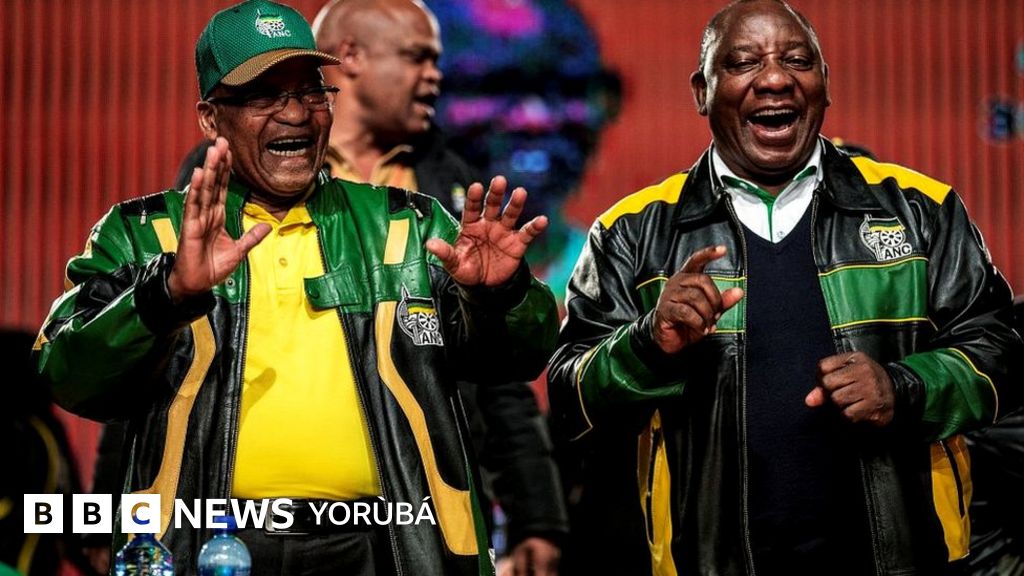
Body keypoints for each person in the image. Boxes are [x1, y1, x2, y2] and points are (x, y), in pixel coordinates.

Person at [32, 1, 558, 574]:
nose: (295, 114)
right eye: (264, 96)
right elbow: (70, 377)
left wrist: (498, 297)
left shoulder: (411, 226)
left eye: (310, 92)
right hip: (209, 549)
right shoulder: (143, 234)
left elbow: (513, 362)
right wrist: (167, 296)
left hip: (387, 550)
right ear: (211, 119)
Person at [547, 0, 1022, 574]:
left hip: (902, 560)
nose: (775, 79)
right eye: (744, 62)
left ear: (826, 84)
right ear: (701, 91)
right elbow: (570, 400)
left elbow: (1001, 354)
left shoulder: (922, 210)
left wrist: (903, 388)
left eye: (797, 61)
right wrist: (647, 343)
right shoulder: (631, 232)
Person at [310, 2, 567, 574]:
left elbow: (496, 375)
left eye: (437, 60)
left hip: (427, 509)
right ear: (350, 56)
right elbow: (171, 349)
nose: (435, 76)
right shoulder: (249, 172)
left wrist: (536, 518)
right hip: (280, 509)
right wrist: (122, 516)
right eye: (416, 57)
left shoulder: (452, 185)